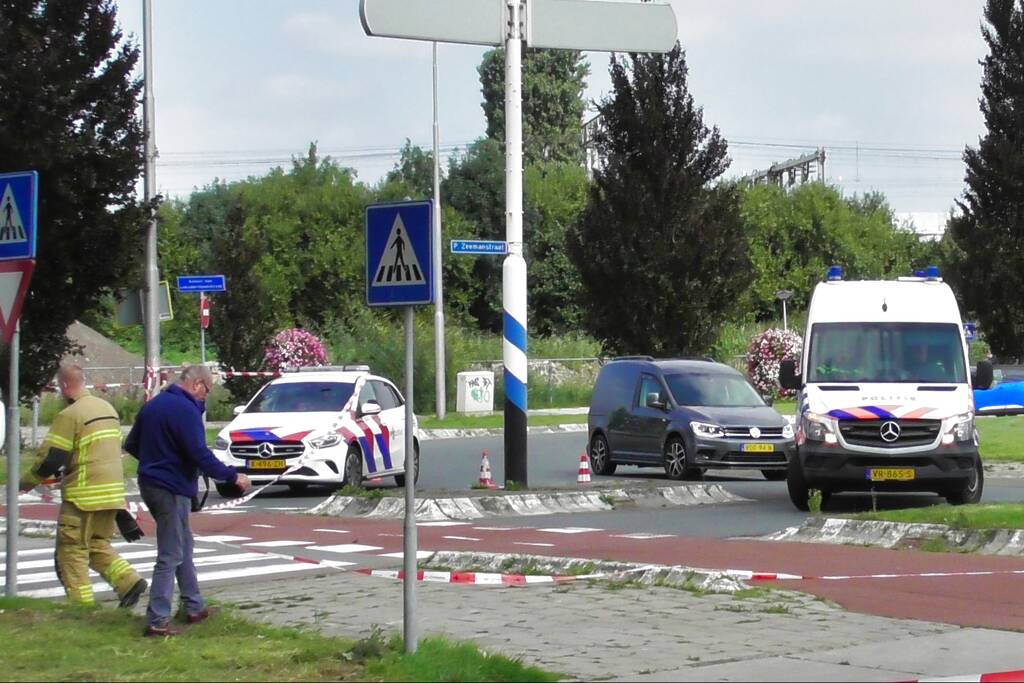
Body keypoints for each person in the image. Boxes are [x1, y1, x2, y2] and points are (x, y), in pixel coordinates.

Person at [125, 366, 251, 637]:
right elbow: (199, 453)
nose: (205, 399)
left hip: (150, 483)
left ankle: (193, 606)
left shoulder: (153, 405)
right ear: (197, 385)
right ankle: (157, 620)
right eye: (207, 391)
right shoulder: (186, 410)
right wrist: (232, 477)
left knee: (183, 543)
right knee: (170, 552)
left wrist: (155, 461)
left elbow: (132, 444)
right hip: (171, 488)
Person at [19, 365, 147, 608]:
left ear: (64, 386)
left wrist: (25, 482)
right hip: (111, 493)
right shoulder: (107, 409)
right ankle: (128, 581)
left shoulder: (70, 415)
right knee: (98, 544)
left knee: (72, 551)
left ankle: (82, 609)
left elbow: (52, 458)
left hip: (83, 496)